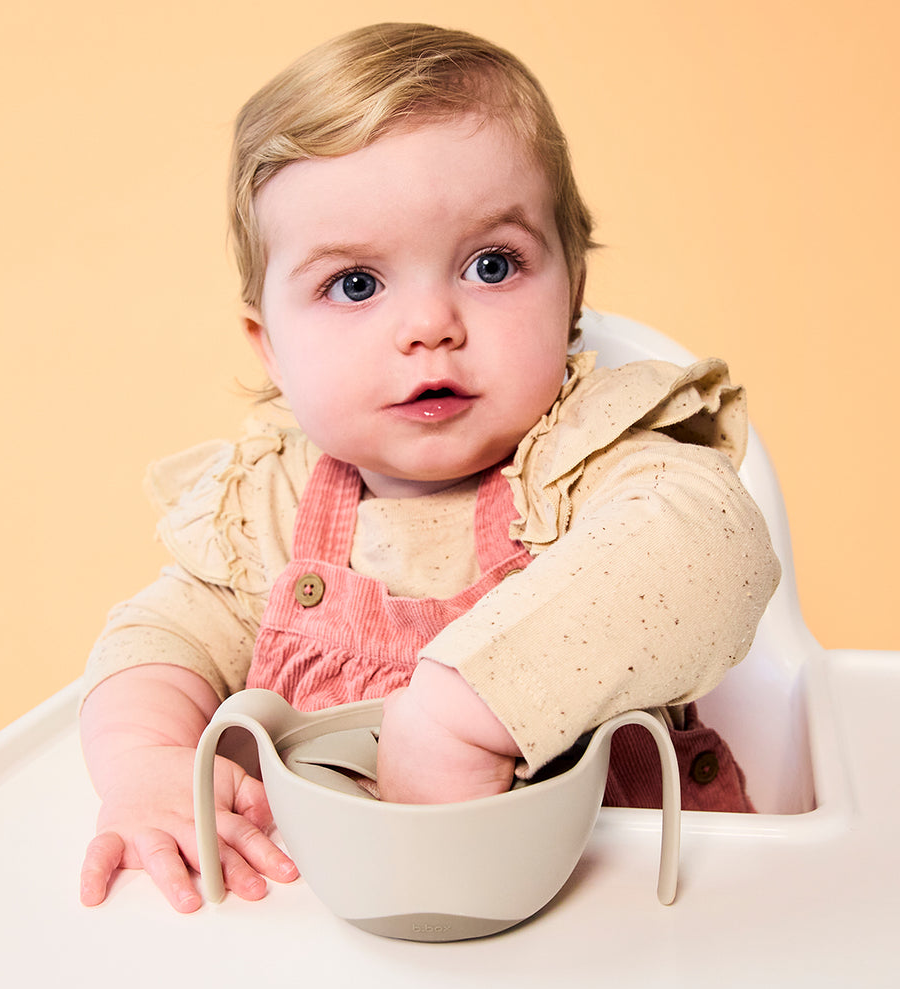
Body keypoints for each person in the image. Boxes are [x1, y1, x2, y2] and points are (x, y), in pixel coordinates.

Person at [78, 22, 781, 914]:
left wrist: (468, 707)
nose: (430, 325)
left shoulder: (592, 464)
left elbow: (713, 546)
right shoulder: (269, 512)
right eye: (356, 284)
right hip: (355, 927)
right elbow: (158, 641)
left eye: (493, 266)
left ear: (572, 297)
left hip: (633, 911)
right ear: (272, 349)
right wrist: (148, 763)